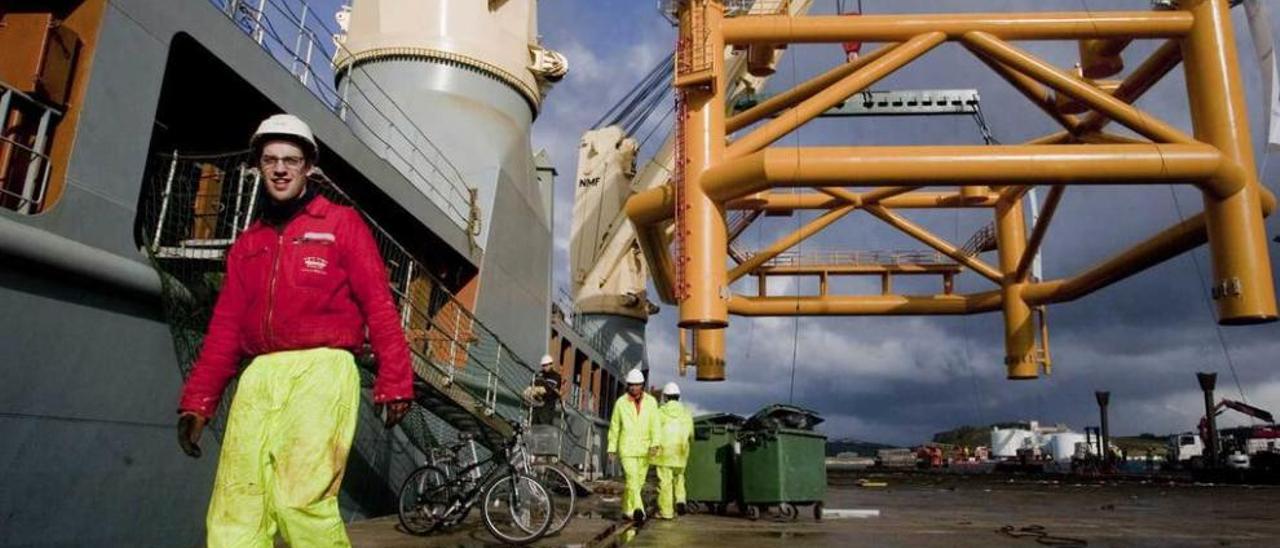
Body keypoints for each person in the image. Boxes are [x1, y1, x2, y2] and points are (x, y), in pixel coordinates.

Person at [175, 114, 415, 547]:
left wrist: (395, 381)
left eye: (291, 159)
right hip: (259, 376)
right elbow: (225, 329)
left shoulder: (341, 224)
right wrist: (198, 402)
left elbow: (379, 305)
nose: (281, 168)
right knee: (235, 505)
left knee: (300, 500)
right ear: (259, 167)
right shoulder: (249, 244)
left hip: (323, 370)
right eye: (271, 160)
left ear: (309, 168)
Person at [607, 368, 660, 524]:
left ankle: (626, 509)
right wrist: (611, 448)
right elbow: (615, 426)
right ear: (628, 385)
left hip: (645, 449)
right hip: (627, 448)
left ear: (642, 385)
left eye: (637, 385)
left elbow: (655, 425)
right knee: (632, 479)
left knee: (638, 482)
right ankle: (638, 510)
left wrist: (655, 444)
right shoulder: (620, 403)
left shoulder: (651, 402)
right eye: (631, 385)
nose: (634, 388)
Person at [654, 382, 694, 520]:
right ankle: (681, 500)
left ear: (665, 397)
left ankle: (666, 512)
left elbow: (654, 432)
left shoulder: (660, 413)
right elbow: (691, 435)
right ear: (679, 397)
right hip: (681, 452)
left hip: (664, 453)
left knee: (665, 482)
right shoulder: (686, 413)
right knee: (680, 478)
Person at [529, 354, 562, 425]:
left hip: (548, 406)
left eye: (546, 365)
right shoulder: (539, 374)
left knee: (544, 427)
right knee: (533, 425)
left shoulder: (556, 376)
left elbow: (550, 390)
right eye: (543, 365)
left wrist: (538, 390)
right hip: (536, 404)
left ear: (551, 364)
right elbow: (532, 385)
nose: (545, 367)